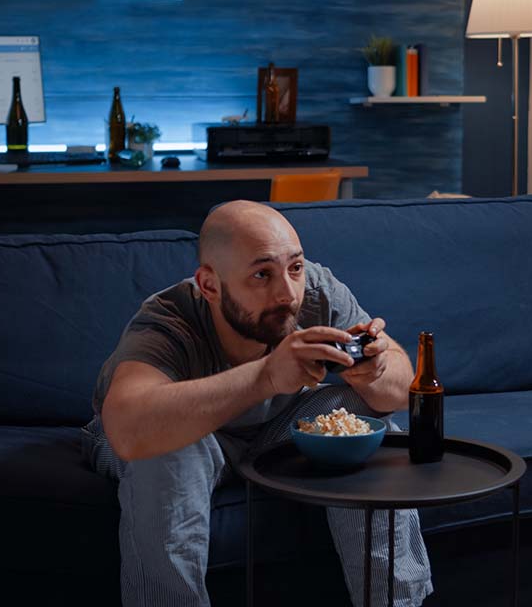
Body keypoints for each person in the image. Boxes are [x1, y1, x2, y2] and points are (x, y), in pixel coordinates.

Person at [80, 200, 434, 606]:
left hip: (276, 429)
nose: (287, 293)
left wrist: (372, 370)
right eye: (261, 274)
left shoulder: (315, 292)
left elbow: (402, 385)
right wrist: (267, 375)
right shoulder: (168, 321)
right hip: (185, 437)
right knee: (168, 448)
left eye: (295, 268)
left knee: (355, 417)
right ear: (209, 285)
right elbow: (129, 428)